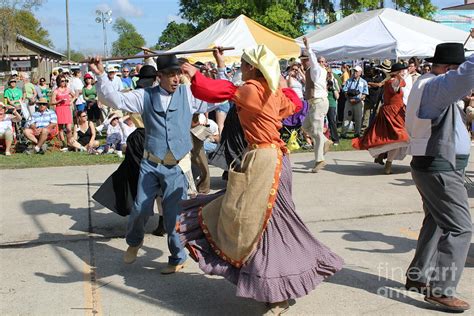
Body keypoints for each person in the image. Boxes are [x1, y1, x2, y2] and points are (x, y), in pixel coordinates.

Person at [178, 45, 343, 314]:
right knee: (264, 225)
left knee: (265, 224)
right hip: (277, 160)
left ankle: (278, 291)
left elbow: (214, 91)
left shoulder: (251, 90)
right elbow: (296, 102)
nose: (241, 68)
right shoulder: (273, 92)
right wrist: (221, 65)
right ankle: (274, 287)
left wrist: (195, 73)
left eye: (243, 64)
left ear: (252, 68)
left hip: (264, 162)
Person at [89, 53, 203, 274]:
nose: (176, 79)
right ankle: (134, 242)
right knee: (140, 207)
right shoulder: (145, 96)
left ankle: (177, 257)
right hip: (151, 163)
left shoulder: (188, 95)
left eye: (177, 73)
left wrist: (214, 69)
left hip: (177, 165)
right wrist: (102, 74)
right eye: (170, 75)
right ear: (159, 76)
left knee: (173, 217)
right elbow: (115, 100)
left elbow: (213, 96)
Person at [404, 42, 474, 312]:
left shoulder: (426, 84)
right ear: (448, 69)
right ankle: (441, 290)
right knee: (460, 228)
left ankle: (418, 277)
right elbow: (466, 75)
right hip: (439, 167)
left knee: (435, 222)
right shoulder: (434, 86)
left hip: (434, 166)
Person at [352, 63, 409, 174]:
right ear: (398, 72)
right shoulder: (392, 81)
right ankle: (387, 161)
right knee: (399, 138)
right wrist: (399, 76)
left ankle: (382, 156)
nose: (404, 72)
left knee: (391, 138)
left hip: (394, 112)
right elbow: (396, 85)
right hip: (393, 113)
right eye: (402, 70)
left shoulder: (389, 81)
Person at [300, 36, 332, 173]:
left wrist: (308, 47)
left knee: (317, 132)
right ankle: (325, 141)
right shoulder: (312, 71)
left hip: (319, 102)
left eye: (303, 60)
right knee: (306, 127)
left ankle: (319, 160)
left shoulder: (315, 69)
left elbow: (313, 59)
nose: (301, 62)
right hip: (315, 103)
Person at [341, 65, 369, 138]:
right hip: (349, 102)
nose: (355, 73)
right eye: (354, 71)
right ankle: (343, 133)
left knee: (358, 118)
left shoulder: (363, 82)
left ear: (360, 72)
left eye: (356, 71)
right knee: (347, 117)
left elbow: (365, 93)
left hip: (359, 102)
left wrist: (358, 100)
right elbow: (345, 91)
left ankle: (357, 133)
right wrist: (349, 99)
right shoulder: (349, 80)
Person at [51, 74, 75, 150]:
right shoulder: (56, 91)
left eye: (65, 81)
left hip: (67, 108)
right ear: (58, 81)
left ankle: (69, 143)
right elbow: (52, 102)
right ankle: (64, 143)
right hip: (59, 109)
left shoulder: (68, 89)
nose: (64, 82)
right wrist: (59, 101)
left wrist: (71, 101)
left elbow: (74, 96)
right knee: (60, 128)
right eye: (62, 81)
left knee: (69, 128)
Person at [326, 68, 340, 145]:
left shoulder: (334, 81)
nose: (329, 74)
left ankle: (335, 139)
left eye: (330, 72)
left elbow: (337, 96)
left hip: (331, 104)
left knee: (332, 121)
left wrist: (333, 87)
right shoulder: (323, 81)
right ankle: (325, 138)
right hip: (323, 103)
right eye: (327, 72)